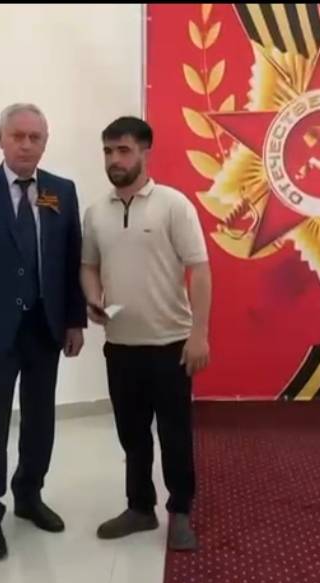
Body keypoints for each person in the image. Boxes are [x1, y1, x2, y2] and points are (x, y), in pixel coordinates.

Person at [0, 103, 87, 561]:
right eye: (18, 136)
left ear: (45, 141)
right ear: (0, 139)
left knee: (40, 418)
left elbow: (70, 260)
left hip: (45, 328)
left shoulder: (61, 191)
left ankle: (29, 494)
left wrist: (74, 320)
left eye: (35, 137)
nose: (26, 145)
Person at [80, 116, 212, 551]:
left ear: (144, 153)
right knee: (132, 435)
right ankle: (139, 508)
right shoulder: (96, 213)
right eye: (107, 151)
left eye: (123, 150)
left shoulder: (174, 205)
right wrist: (93, 296)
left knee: (174, 435)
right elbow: (89, 265)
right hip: (120, 346)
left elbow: (200, 270)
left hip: (171, 345)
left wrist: (199, 334)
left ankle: (181, 511)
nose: (114, 160)